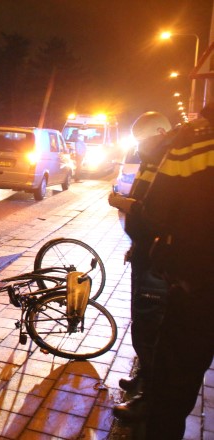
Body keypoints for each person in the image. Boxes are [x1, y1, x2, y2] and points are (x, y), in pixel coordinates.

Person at [115, 104, 214, 438]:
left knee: (173, 373)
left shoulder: (192, 142)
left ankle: (151, 405)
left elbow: (156, 209)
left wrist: (127, 207)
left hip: (193, 283)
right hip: (179, 271)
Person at [108, 112, 172, 406]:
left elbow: (159, 213)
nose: (139, 147)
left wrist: (123, 203)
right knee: (142, 319)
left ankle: (151, 398)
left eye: (143, 141)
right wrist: (135, 244)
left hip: (158, 260)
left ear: (161, 132)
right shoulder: (150, 161)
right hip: (144, 253)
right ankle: (145, 375)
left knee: (152, 323)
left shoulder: (169, 164)